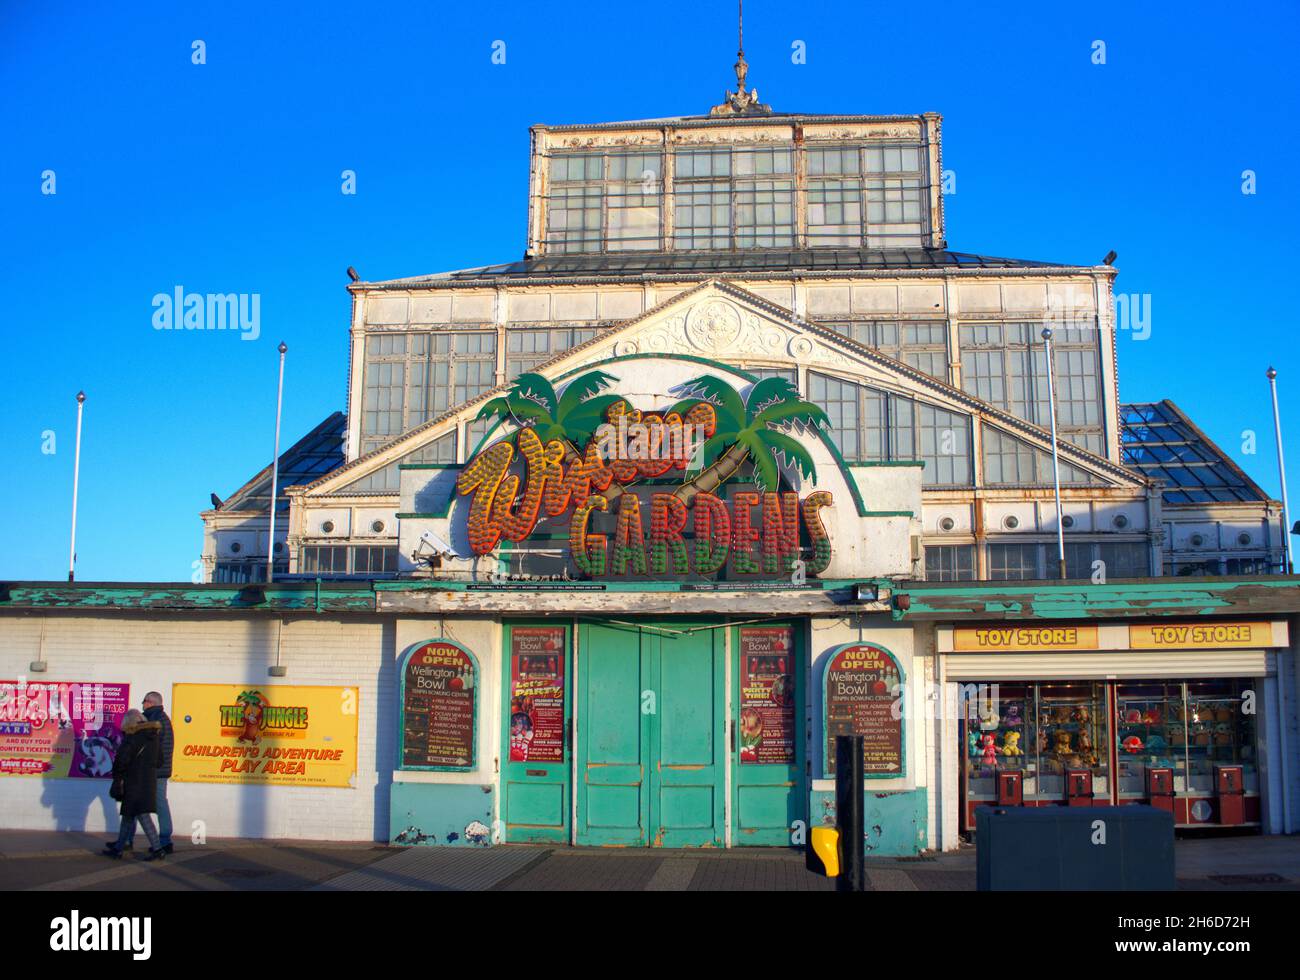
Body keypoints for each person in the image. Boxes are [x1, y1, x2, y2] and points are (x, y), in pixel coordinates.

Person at [103, 709, 165, 860]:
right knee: (128, 816)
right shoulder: (153, 737)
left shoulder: (133, 737)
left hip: (133, 782)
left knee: (142, 815)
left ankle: (158, 850)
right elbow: (159, 761)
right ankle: (118, 848)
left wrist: (119, 775)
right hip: (148, 782)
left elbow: (122, 760)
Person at [122, 692, 174, 854]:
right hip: (160, 769)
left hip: (153, 771)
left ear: (150, 703)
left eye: (144, 702)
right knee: (154, 803)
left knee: (142, 804)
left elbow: (148, 745)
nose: (142, 705)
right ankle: (161, 840)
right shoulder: (162, 718)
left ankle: (162, 840)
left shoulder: (153, 721)